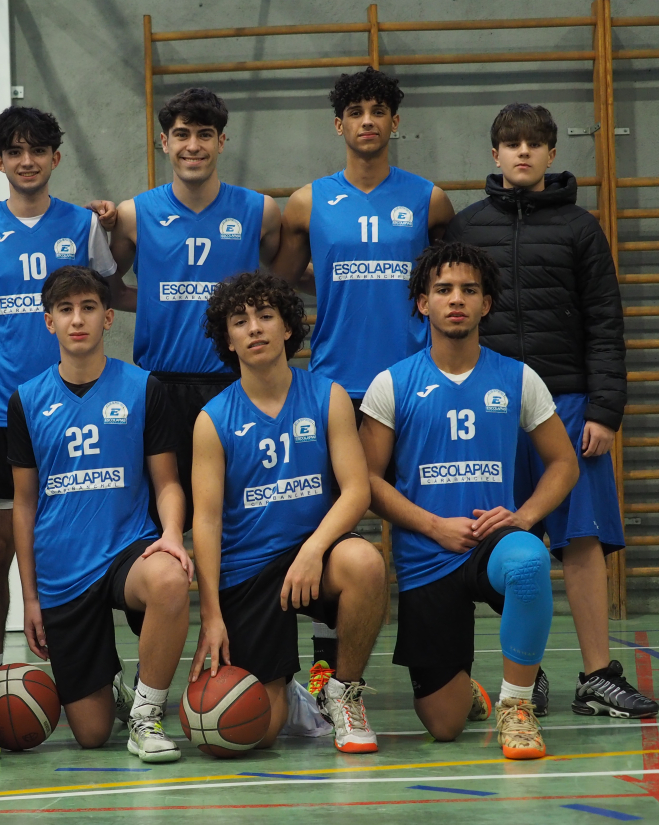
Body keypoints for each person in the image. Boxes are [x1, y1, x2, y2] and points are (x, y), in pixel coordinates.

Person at [444, 103, 656, 719]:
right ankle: (525, 677)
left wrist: (605, 410)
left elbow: (605, 323)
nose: (523, 152)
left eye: (534, 143)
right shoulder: (465, 227)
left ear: (551, 154)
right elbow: (442, 317)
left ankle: (596, 677)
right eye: (511, 144)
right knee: (507, 539)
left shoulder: (581, 228)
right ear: (495, 154)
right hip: (490, 408)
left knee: (581, 539)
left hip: (567, 405)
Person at [271, 67, 455, 693]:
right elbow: (284, 282)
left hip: (412, 385)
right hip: (338, 385)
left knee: (425, 522)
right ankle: (328, 671)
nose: (368, 121)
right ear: (339, 124)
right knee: (335, 528)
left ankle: (442, 667)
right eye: (356, 112)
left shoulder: (429, 200)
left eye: (379, 111)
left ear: (395, 123)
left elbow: (452, 280)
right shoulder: (308, 202)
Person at [359, 241, 579, 759]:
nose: (456, 299)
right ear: (423, 303)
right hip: (426, 553)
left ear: (486, 303)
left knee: (528, 562)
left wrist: (523, 518)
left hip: (492, 542)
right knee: (444, 726)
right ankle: (468, 693)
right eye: (443, 290)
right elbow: (366, 481)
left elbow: (564, 464)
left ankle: (516, 706)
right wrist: (433, 526)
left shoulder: (518, 377)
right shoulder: (392, 383)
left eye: (469, 290)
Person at [190, 270, 386, 754]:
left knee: (365, 562)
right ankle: (293, 696)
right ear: (228, 339)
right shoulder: (213, 420)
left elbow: (356, 490)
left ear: (287, 327)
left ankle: (344, 693)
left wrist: (314, 548)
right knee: (254, 732)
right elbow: (207, 523)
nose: (254, 328)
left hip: (314, 554)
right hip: (249, 569)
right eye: (240, 321)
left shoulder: (327, 396)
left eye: (265, 315)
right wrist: (211, 615)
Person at [0, 107, 117, 681]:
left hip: (76, 408)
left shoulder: (84, 226)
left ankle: (100, 673)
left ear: (56, 157)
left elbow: (109, 293)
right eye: (15, 152)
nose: (27, 161)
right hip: (0, 410)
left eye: (38, 150)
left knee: (84, 543)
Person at [9, 266, 192, 762]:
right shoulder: (26, 400)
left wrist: (173, 534)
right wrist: (29, 597)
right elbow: (24, 505)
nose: (78, 319)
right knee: (90, 734)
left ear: (108, 317)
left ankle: (145, 716)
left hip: (126, 550)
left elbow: (167, 482)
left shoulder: (143, 387)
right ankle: (111, 686)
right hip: (62, 568)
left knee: (170, 578)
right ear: (49, 321)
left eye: (88, 308)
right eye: (65, 310)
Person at [107, 88, 282, 529]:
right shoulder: (133, 214)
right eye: (182, 134)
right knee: (160, 520)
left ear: (221, 142)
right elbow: (108, 289)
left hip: (235, 383)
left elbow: (283, 281)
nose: (193, 146)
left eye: (205, 134)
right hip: (160, 385)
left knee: (236, 517)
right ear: (164, 142)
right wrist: (154, 301)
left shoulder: (260, 211)